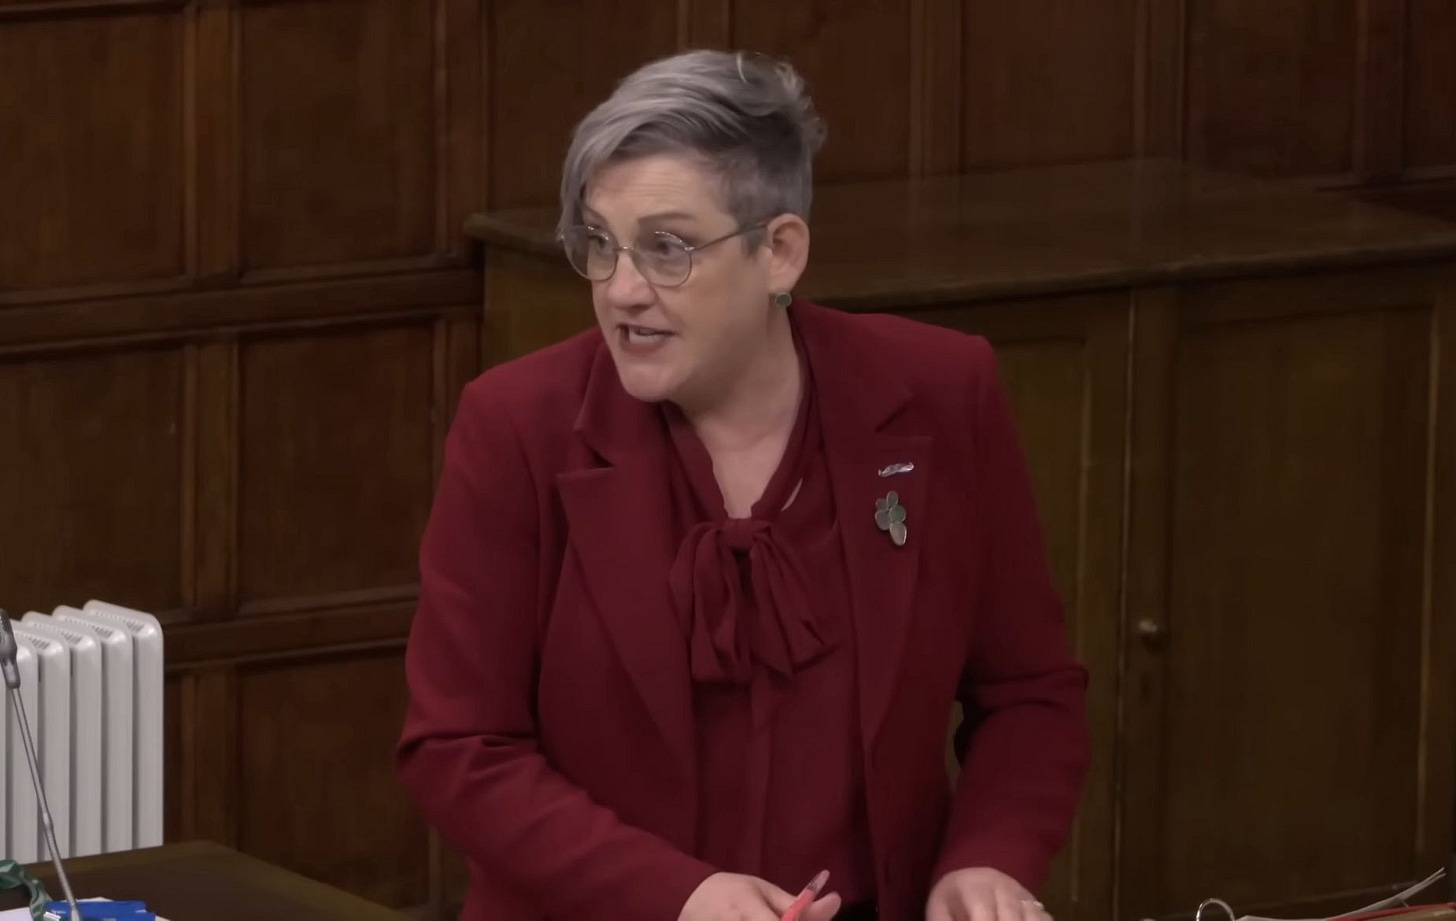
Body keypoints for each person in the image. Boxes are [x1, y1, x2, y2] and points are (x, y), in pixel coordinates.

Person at [396, 49, 1089, 921]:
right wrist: (678, 895)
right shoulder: (516, 426)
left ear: (781, 252)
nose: (622, 291)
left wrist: (988, 858)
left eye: (668, 248)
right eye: (599, 245)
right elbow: (460, 746)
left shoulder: (942, 394)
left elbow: (1028, 693)